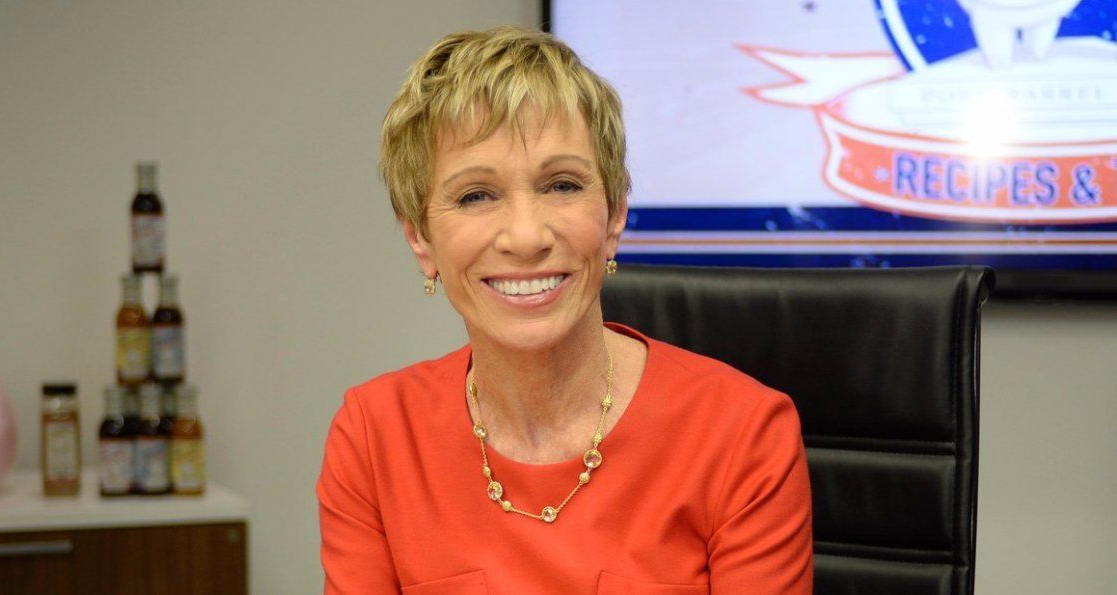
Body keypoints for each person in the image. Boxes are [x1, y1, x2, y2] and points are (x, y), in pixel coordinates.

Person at [317, 26, 812, 594]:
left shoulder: (742, 434)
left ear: (615, 214)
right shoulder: (374, 436)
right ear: (419, 238)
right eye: (475, 195)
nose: (527, 237)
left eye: (562, 185)